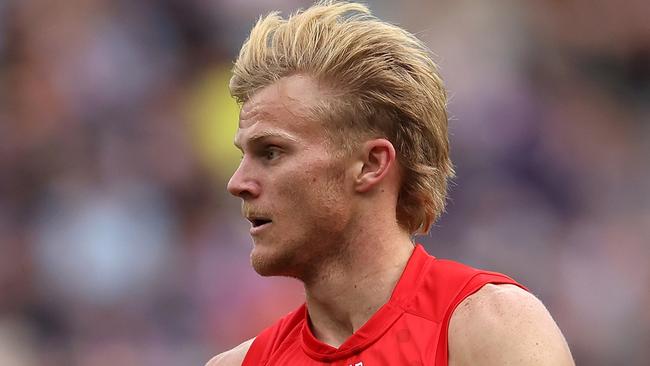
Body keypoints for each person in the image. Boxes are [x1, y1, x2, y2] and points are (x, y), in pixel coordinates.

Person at [208, 1, 574, 365]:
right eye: (244, 155)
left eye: (271, 152)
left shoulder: (491, 328)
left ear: (371, 164)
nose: (237, 183)